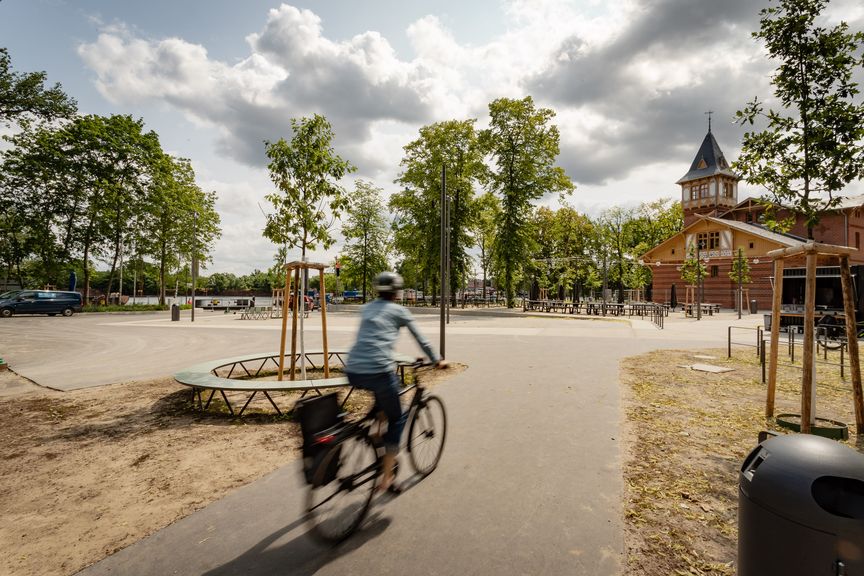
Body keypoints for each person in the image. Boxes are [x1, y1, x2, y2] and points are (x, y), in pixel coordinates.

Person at [344, 271, 447, 493]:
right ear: (397, 292)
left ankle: (376, 434)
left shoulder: (366, 308)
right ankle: (387, 476)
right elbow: (422, 339)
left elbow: (372, 341)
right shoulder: (400, 311)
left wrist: (403, 358)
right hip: (379, 371)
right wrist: (437, 359)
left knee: (383, 403)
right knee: (398, 418)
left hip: (353, 370)